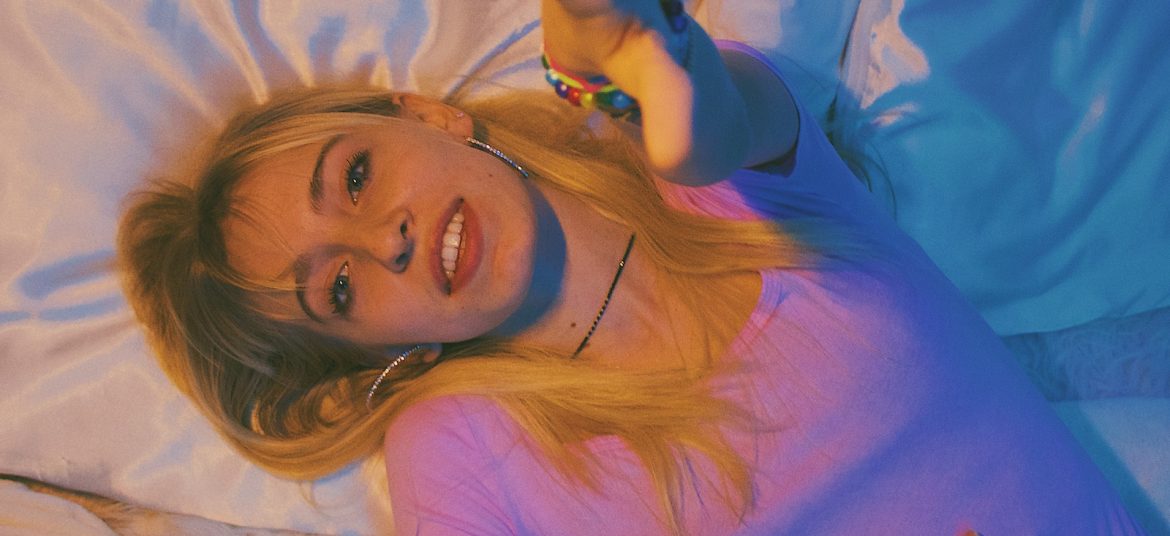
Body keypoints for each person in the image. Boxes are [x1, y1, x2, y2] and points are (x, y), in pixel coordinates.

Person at [117, 0, 1144, 534]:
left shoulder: (732, 189)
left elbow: (707, 122)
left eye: (354, 177)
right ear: (380, 346)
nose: (381, 238)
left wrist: (617, 63)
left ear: (427, 116)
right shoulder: (460, 448)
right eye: (338, 290)